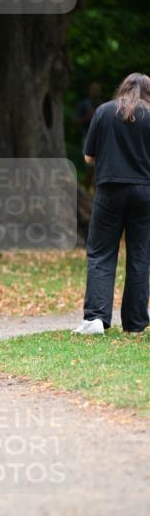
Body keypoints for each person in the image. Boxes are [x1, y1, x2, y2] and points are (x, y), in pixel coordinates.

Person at [73, 72, 150, 335]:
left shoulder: (104, 112)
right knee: (140, 255)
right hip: (145, 192)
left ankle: (96, 318)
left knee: (102, 252)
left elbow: (87, 157)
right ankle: (136, 323)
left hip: (109, 189)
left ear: (124, 88)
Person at [74, 82, 103, 190]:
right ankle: (86, 190)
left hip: (102, 139)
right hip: (87, 137)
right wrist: (88, 116)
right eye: (93, 89)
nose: (95, 92)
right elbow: (76, 121)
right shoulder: (83, 104)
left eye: (97, 90)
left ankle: (94, 191)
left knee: (98, 168)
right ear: (89, 90)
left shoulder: (102, 105)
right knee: (89, 167)